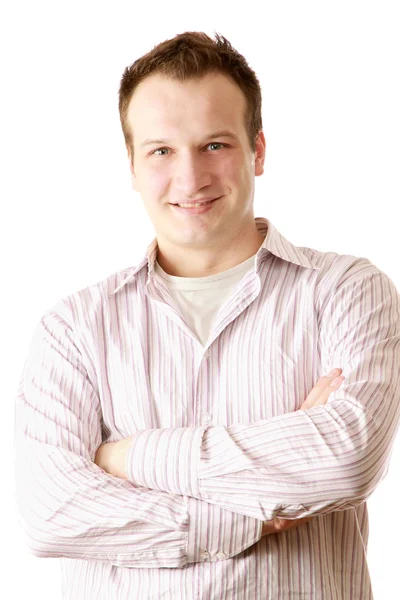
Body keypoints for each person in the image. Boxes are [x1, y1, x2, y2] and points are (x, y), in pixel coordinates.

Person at [14, 31, 400, 600]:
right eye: (162, 150)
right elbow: (50, 513)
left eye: (214, 145)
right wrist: (251, 516)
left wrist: (124, 457)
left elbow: (346, 462)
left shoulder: (345, 291)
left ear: (257, 150)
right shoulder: (74, 329)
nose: (190, 179)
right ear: (132, 164)